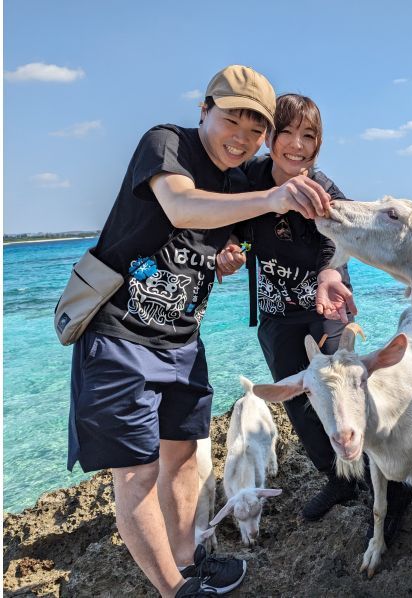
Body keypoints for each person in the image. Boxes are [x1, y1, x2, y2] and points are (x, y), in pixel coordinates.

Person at [68, 65, 333, 598]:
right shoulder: (166, 144)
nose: (242, 136)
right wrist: (269, 200)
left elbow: (265, 228)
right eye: (231, 118)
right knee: (136, 475)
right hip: (120, 334)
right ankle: (174, 590)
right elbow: (181, 204)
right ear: (204, 109)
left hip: (183, 340)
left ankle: (190, 561)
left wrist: (320, 269)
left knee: (185, 456)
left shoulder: (238, 182)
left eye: (255, 129)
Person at [222, 93, 412, 538]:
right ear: (269, 137)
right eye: (286, 132)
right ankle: (338, 480)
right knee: (299, 400)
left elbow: (348, 233)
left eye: (308, 136)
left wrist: (330, 271)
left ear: (318, 144)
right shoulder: (247, 179)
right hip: (275, 312)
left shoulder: (323, 187)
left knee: (346, 391)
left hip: (326, 301)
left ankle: (391, 482)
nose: (296, 144)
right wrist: (231, 250)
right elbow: (235, 228)